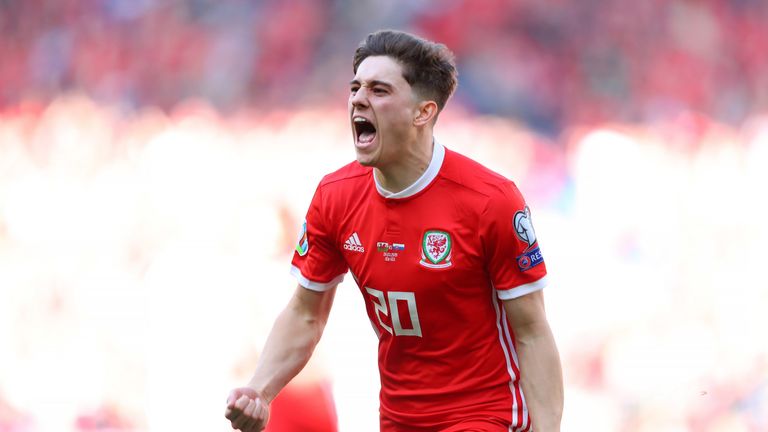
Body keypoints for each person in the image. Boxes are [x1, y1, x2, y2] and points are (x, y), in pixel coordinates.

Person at [225, 29, 563, 432]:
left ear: (423, 112)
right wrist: (260, 390)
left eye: (379, 90)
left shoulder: (490, 200)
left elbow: (532, 331)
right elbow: (305, 313)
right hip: (399, 420)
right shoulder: (336, 196)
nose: (358, 99)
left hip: (483, 416)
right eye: (355, 87)